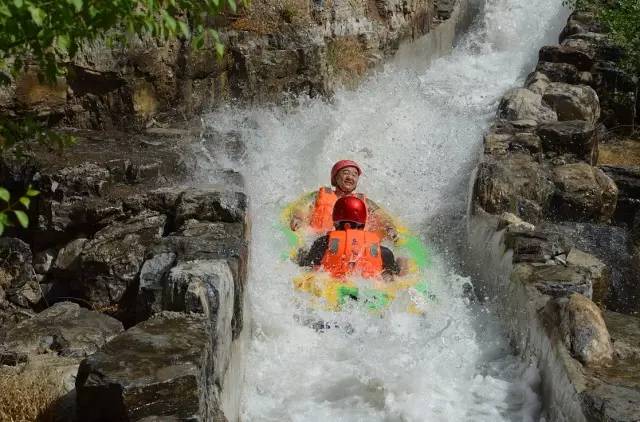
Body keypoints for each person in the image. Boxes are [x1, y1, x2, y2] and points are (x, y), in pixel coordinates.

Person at [289, 159, 398, 241]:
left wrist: (389, 228)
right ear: (335, 178)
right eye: (346, 173)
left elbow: (382, 217)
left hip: (356, 245)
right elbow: (302, 207)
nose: (350, 177)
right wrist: (298, 218)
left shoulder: (365, 202)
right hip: (320, 242)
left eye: (354, 175)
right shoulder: (318, 195)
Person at [299, 196, 403, 280]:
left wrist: (301, 255)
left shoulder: (323, 243)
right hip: (368, 288)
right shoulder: (382, 251)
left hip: (332, 287)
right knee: (397, 267)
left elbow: (306, 266)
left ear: (335, 220)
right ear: (363, 222)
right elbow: (394, 276)